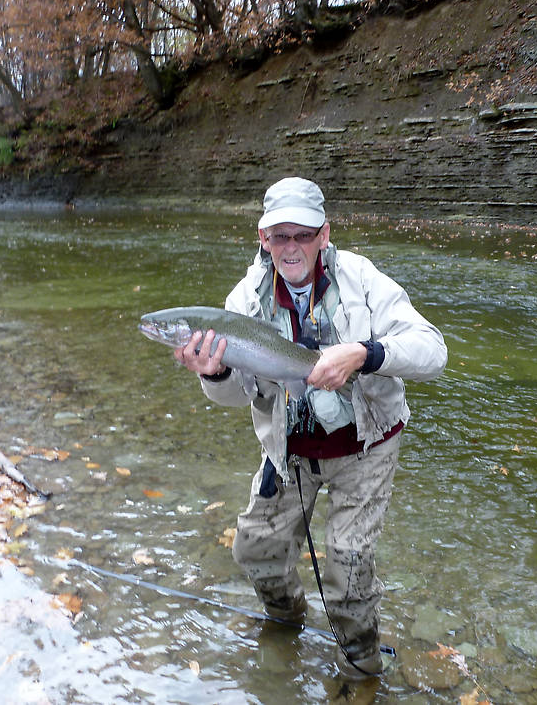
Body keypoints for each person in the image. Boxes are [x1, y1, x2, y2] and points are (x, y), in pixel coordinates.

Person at [175, 177, 447, 679]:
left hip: (366, 444)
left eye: (303, 234)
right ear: (263, 238)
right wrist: (214, 373)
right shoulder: (245, 301)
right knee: (255, 549)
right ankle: (284, 627)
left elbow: (433, 351)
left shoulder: (363, 280)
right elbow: (237, 397)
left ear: (325, 234)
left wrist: (366, 354)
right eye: (281, 236)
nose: (292, 247)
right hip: (290, 451)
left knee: (346, 565)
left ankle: (362, 667)